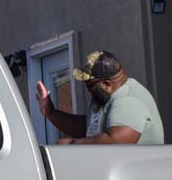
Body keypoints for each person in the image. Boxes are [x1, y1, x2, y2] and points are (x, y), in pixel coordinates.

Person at [36, 50, 165, 145]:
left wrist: (72, 145)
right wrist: (51, 113)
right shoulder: (105, 97)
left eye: (89, 85)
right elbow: (86, 128)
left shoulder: (128, 99)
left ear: (106, 84)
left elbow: (117, 142)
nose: (88, 90)